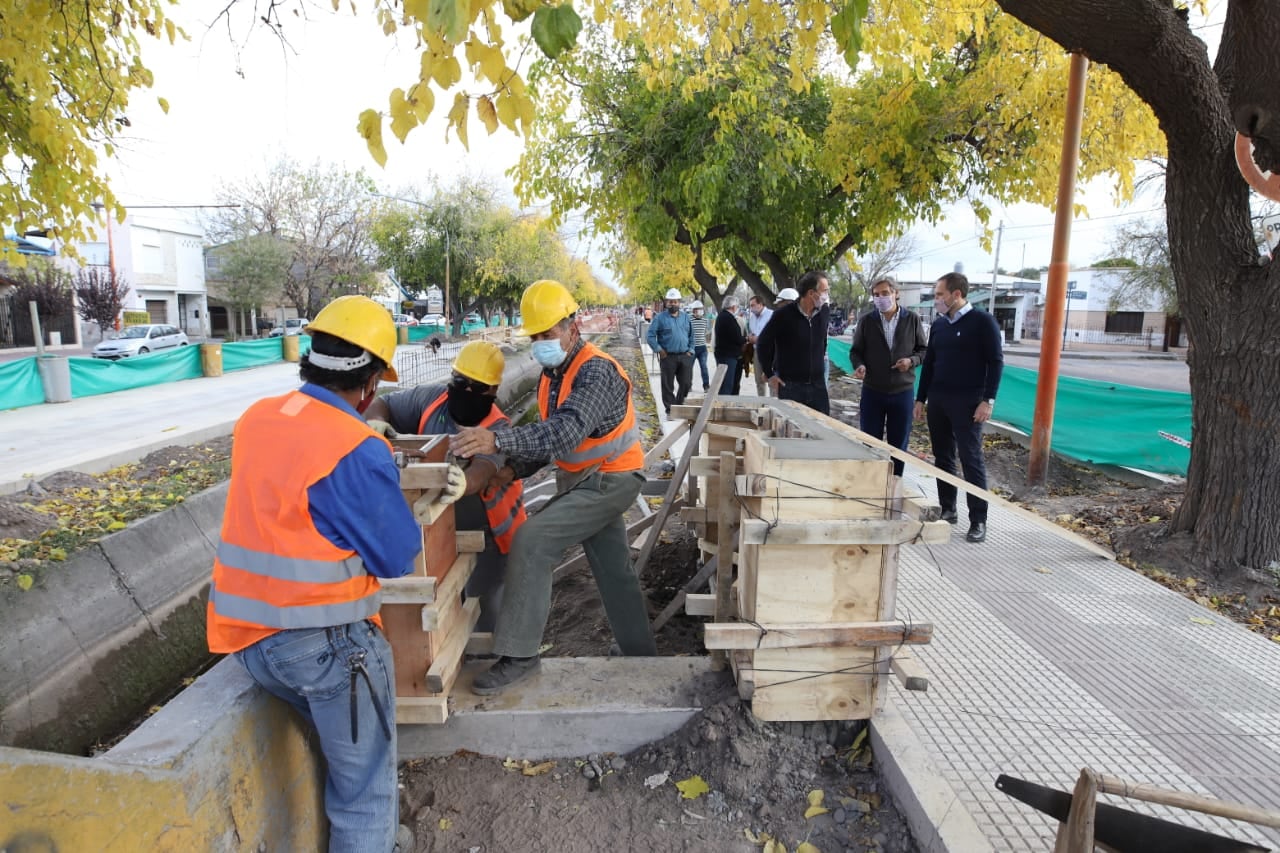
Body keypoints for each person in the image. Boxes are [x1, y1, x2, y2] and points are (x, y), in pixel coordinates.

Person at [206, 295, 440, 853]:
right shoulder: (353, 448)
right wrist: (381, 470)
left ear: (309, 360)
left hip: (251, 645)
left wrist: (367, 453)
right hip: (330, 648)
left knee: (345, 761)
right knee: (364, 793)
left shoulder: (259, 419)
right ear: (371, 386)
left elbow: (298, 499)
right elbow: (395, 556)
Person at [450, 279, 657, 695]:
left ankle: (520, 654)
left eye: (549, 334)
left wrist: (498, 441)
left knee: (532, 539)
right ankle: (641, 653)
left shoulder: (596, 371)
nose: (543, 342)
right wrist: (513, 470)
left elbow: (564, 434)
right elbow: (547, 440)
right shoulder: (552, 376)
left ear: (572, 327)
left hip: (612, 478)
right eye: (537, 336)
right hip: (586, 478)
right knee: (614, 568)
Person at [363, 340, 527, 632]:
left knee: (486, 604)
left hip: (489, 531)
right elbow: (383, 402)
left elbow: (485, 468)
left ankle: (490, 657)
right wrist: (375, 421)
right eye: (460, 381)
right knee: (445, 600)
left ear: (492, 391)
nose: (465, 391)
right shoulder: (432, 399)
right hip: (439, 525)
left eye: (476, 387)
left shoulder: (499, 427)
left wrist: (465, 482)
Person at [914, 271, 1004, 544]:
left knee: (971, 459)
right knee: (943, 457)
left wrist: (988, 400)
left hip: (969, 402)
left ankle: (978, 519)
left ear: (957, 294)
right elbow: (929, 364)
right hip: (939, 399)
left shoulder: (982, 322)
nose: (936, 299)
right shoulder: (940, 325)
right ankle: (948, 507)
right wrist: (921, 398)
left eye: (940, 294)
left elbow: (996, 362)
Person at [849, 275, 928, 477]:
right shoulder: (867, 321)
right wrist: (859, 365)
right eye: (876, 295)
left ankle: (895, 482)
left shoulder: (912, 319)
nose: (881, 298)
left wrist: (911, 361)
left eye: (885, 293)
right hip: (873, 390)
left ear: (895, 293)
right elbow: (855, 351)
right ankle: (870, 482)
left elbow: (923, 350)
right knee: (869, 440)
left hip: (902, 392)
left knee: (898, 443)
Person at [757, 271, 832, 415]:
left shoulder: (824, 312)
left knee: (822, 431)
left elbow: (822, 341)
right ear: (811, 293)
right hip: (791, 386)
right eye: (824, 291)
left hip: (818, 386)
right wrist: (769, 373)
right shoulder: (783, 315)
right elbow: (763, 343)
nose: (826, 295)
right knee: (791, 431)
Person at [646, 287, 695, 415]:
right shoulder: (660, 318)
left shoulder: (686, 318)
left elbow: (692, 336)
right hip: (668, 357)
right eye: (670, 301)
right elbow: (650, 335)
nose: (673, 304)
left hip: (685, 356)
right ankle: (670, 410)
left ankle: (679, 406)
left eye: (675, 301)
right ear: (666, 303)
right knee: (667, 385)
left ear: (679, 302)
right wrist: (659, 349)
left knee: (686, 383)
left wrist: (690, 350)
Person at [712, 295, 746, 395]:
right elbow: (736, 337)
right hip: (728, 356)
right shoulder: (728, 318)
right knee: (727, 384)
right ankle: (724, 405)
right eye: (737, 306)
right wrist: (746, 339)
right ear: (733, 306)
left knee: (725, 383)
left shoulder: (722, 316)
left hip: (724, 354)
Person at [745, 295, 774, 396]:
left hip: (770, 352)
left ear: (760, 304)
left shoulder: (771, 315)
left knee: (771, 378)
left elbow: (774, 335)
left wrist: (759, 339)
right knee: (759, 380)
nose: (751, 308)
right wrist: (750, 337)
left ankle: (773, 404)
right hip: (757, 351)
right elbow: (752, 332)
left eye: (753, 305)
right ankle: (762, 402)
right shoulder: (752, 318)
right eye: (750, 306)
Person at [689, 302, 711, 391]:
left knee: (704, 367)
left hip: (702, 348)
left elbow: (707, 331)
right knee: (689, 368)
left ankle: (706, 385)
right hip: (692, 348)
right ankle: (688, 385)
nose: (700, 311)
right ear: (693, 311)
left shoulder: (705, 320)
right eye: (698, 309)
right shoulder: (689, 320)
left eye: (701, 309)